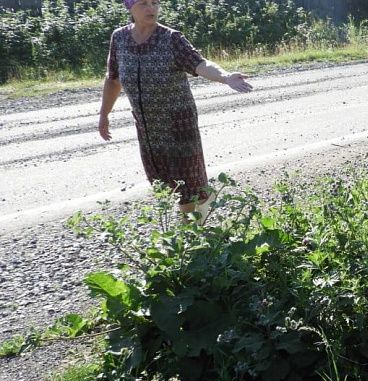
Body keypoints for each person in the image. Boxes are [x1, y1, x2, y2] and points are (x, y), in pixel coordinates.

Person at [97, 0, 253, 221]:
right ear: (129, 7)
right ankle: (196, 228)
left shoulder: (172, 38)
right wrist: (104, 114)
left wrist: (225, 77)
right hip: (147, 126)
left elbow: (199, 64)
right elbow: (113, 79)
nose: (151, 8)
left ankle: (197, 230)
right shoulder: (119, 38)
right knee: (163, 182)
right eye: (144, 3)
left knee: (189, 181)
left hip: (178, 123)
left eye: (155, 3)